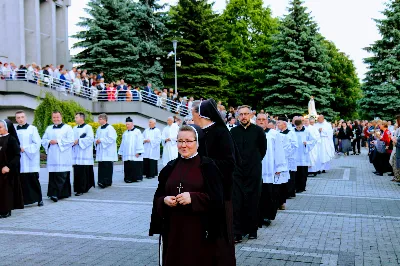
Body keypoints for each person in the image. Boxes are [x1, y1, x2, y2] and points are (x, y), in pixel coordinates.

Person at [149, 125, 232, 265]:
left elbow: (218, 199)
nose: (184, 145)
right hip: (173, 230)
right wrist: (164, 200)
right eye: (180, 141)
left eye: (188, 141)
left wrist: (193, 198)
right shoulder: (170, 167)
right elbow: (158, 196)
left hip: (199, 231)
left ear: (197, 143)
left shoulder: (208, 166)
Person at [191, 99, 239, 264]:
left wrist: (203, 163)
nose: (192, 117)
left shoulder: (220, 132)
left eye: (193, 113)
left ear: (200, 114)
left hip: (219, 192)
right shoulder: (201, 132)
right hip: (202, 192)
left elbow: (230, 163)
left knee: (219, 235)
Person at [230, 105, 267, 242]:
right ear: (237, 116)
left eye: (246, 114)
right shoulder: (233, 132)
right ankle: (237, 232)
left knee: (253, 199)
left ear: (251, 115)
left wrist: (254, 162)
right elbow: (231, 151)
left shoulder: (258, 131)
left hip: (253, 170)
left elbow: (263, 150)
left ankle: (252, 230)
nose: (244, 117)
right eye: (241, 114)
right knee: (237, 201)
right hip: (237, 172)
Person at [256, 114, 286, 227]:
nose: (261, 121)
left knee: (268, 193)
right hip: (255, 168)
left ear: (267, 121)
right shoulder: (253, 132)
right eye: (259, 119)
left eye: (263, 119)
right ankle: (257, 216)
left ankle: (267, 216)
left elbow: (279, 151)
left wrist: (279, 167)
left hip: (269, 167)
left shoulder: (274, 134)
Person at [41, 111, 74, 202]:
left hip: (63, 155)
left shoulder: (67, 128)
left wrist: (58, 141)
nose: (56, 119)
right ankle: (52, 193)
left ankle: (59, 193)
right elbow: (43, 140)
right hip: (52, 155)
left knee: (62, 174)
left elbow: (71, 141)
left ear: (61, 117)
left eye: (57, 117)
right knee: (53, 174)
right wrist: (48, 141)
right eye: (54, 117)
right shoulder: (49, 128)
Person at [15, 111, 43, 206]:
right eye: (18, 117)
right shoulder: (14, 130)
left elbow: (37, 143)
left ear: (25, 117)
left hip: (30, 158)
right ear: (16, 119)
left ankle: (39, 199)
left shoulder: (32, 129)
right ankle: (23, 201)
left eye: (22, 117)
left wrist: (25, 149)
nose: (20, 119)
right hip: (19, 158)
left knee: (33, 179)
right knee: (22, 181)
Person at [0, 119, 24, 218]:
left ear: (6, 129)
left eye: (0, 127)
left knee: (6, 191)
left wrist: (8, 167)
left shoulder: (11, 139)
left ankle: (6, 210)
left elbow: (17, 155)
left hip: (7, 170)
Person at [72, 113, 95, 196]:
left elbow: (90, 139)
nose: (75, 119)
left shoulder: (88, 128)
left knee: (83, 171)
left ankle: (82, 188)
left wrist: (79, 141)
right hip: (76, 152)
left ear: (82, 118)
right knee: (77, 170)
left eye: (76, 117)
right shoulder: (74, 128)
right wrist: (72, 142)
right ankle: (78, 188)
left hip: (84, 153)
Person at [293, 118, 316, 193]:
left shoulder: (307, 131)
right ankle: (296, 187)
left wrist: (307, 143)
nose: (298, 128)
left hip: (303, 154)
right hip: (295, 154)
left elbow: (313, 140)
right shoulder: (292, 131)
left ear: (302, 125)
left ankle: (302, 187)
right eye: (297, 127)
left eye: (299, 127)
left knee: (303, 172)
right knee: (295, 172)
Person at [118, 117, 145, 183]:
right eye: (126, 124)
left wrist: (139, 152)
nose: (127, 126)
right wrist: (121, 152)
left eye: (128, 124)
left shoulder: (137, 131)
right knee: (127, 166)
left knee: (134, 165)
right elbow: (123, 143)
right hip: (127, 153)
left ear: (132, 124)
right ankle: (128, 178)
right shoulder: (125, 133)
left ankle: (135, 178)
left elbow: (139, 141)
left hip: (134, 152)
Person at [95, 113, 118, 188]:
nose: (99, 120)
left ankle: (107, 182)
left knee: (107, 166)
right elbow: (96, 137)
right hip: (101, 151)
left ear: (105, 119)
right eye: (99, 119)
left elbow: (112, 138)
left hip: (108, 151)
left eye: (100, 119)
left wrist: (101, 140)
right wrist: (96, 141)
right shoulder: (99, 128)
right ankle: (100, 181)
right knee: (101, 166)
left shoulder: (110, 128)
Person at [277, 117, 298, 199]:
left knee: (290, 174)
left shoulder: (291, 133)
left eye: (279, 123)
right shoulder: (278, 133)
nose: (277, 125)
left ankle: (290, 192)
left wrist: (286, 152)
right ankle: (284, 192)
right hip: (281, 157)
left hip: (289, 157)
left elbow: (294, 145)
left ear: (284, 124)